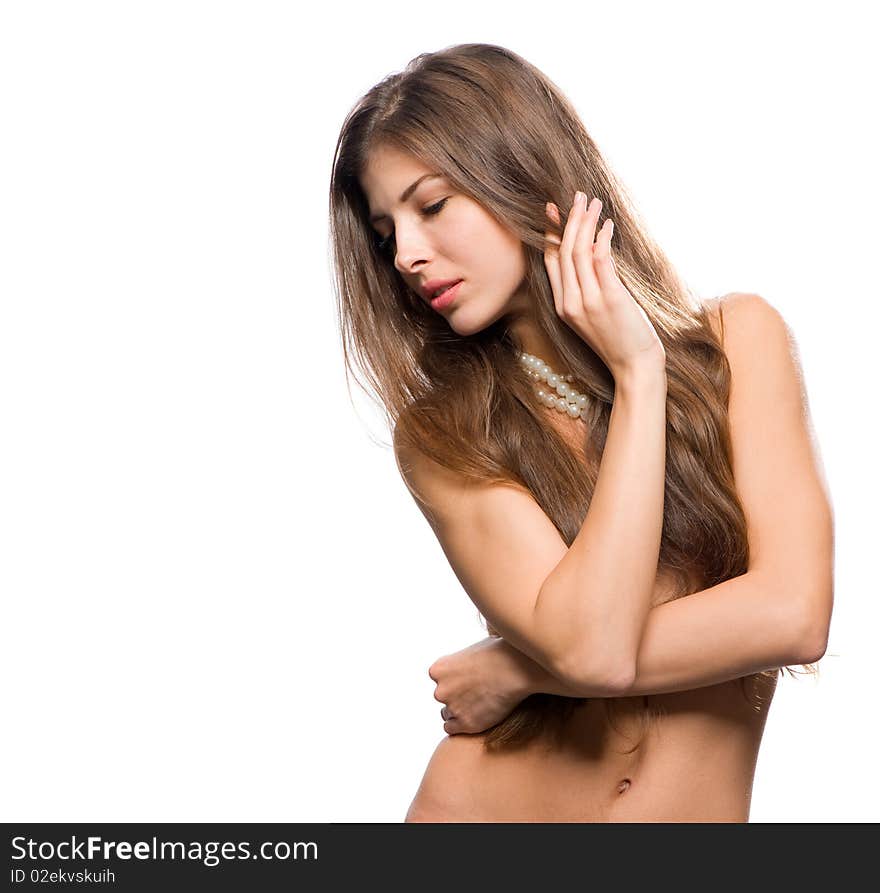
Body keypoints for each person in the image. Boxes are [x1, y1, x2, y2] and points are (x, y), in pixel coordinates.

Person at [328, 43, 834, 822]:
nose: (409, 256)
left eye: (431, 206)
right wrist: (635, 378)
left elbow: (794, 614)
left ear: (521, 169)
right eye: (387, 232)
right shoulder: (444, 434)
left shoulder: (740, 343)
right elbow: (592, 648)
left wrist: (523, 669)